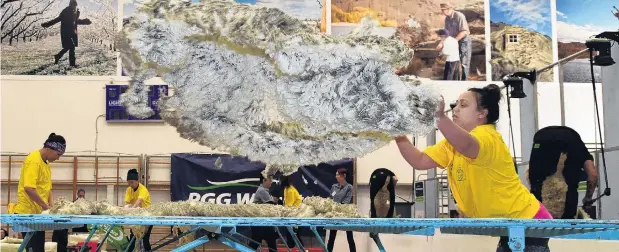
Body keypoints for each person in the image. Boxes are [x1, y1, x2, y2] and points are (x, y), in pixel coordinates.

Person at [395, 84, 552, 252]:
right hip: (509, 224)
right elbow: (420, 161)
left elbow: (467, 145)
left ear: (482, 114)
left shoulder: (488, 137)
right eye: (456, 104)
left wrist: (439, 116)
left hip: (528, 220)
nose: (455, 109)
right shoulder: (452, 145)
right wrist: (396, 132)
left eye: (463, 105)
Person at [526, 126, 599, 219]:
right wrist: (588, 198)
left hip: (541, 137)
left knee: (537, 184)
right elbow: (593, 175)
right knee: (569, 189)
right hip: (571, 138)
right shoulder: (579, 147)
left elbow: (529, 174)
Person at [14, 133, 66, 252]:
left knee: (39, 249)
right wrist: (45, 206)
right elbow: (29, 188)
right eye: (58, 154)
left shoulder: (45, 163)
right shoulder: (34, 161)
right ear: (49, 148)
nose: (58, 158)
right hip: (28, 214)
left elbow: (48, 189)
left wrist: (51, 207)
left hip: (38, 214)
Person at [41, 0, 92, 67]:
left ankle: (58, 56)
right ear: (70, 5)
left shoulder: (75, 13)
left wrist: (85, 21)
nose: (74, 7)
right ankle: (72, 64)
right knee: (71, 47)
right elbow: (57, 19)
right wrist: (47, 24)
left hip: (72, 32)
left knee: (67, 47)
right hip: (66, 32)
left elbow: (76, 22)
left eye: (75, 5)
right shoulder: (66, 12)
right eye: (73, 5)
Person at [438, 3, 472, 80]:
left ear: (449, 9)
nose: (442, 12)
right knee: (454, 60)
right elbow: (446, 33)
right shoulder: (447, 19)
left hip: (464, 41)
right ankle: (455, 81)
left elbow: (464, 31)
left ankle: (464, 81)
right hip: (454, 41)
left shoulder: (459, 16)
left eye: (443, 10)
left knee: (464, 62)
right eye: (442, 10)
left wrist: (453, 41)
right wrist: (441, 43)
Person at [326, 168, 356, 252]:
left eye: (337, 174)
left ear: (343, 176)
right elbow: (331, 198)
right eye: (336, 174)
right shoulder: (334, 187)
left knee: (349, 237)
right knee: (332, 237)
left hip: (345, 214)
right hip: (334, 215)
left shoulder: (349, 187)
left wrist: (337, 207)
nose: (336, 176)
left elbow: (347, 201)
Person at [124, 169, 153, 252]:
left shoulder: (143, 189)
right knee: (132, 238)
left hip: (147, 216)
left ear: (137, 181)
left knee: (145, 239)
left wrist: (132, 208)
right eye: (128, 182)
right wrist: (126, 207)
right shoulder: (129, 190)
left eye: (132, 182)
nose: (130, 184)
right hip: (136, 216)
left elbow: (139, 201)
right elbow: (126, 202)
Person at [249, 174, 279, 251]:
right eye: (269, 180)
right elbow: (271, 205)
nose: (271, 182)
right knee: (256, 243)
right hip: (258, 222)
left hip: (262, 221)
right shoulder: (262, 191)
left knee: (270, 240)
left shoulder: (265, 191)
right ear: (264, 180)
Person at [281, 175, 304, 248]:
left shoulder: (291, 190)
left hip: (296, 215)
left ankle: (302, 249)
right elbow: (286, 204)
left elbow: (289, 206)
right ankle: (291, 247)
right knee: (290, 235)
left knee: (295, 235)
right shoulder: (286, 189)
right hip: (291, 215)